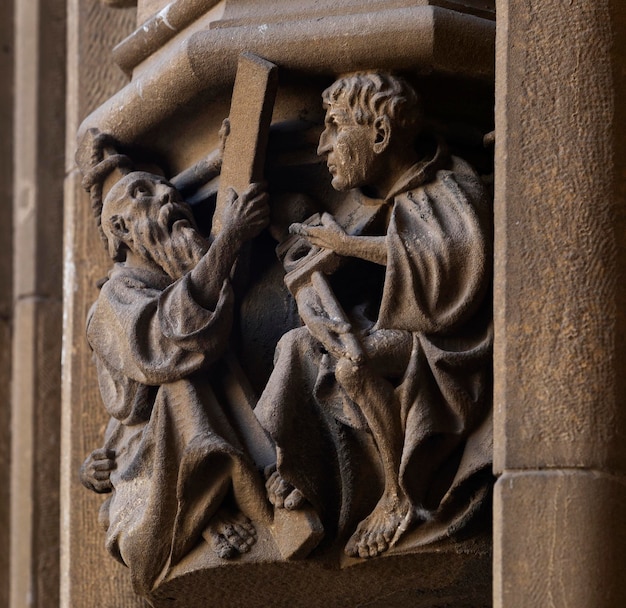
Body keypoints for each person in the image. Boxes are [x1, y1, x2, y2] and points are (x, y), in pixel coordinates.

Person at [255, 73, 493, 559]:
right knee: (296, 343)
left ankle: (397, 494)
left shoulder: (447, 184)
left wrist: (347, 245)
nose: (323, 145)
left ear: (380, 135)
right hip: (411, 327)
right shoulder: (392, 199)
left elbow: (449, 258)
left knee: (351, 364)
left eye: (335, 127)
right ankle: (301, 465)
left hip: (447, 344)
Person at [80, 161, 270, 595]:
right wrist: (228, 241)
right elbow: (166, 346)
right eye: (145, 193)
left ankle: (263, 474)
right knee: (181, 386)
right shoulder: (112, 298)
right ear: (121, 229)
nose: (169, 197)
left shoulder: (180, 280)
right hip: (148, 478)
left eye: (171, 190)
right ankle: (201, 505)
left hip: (175, 441)